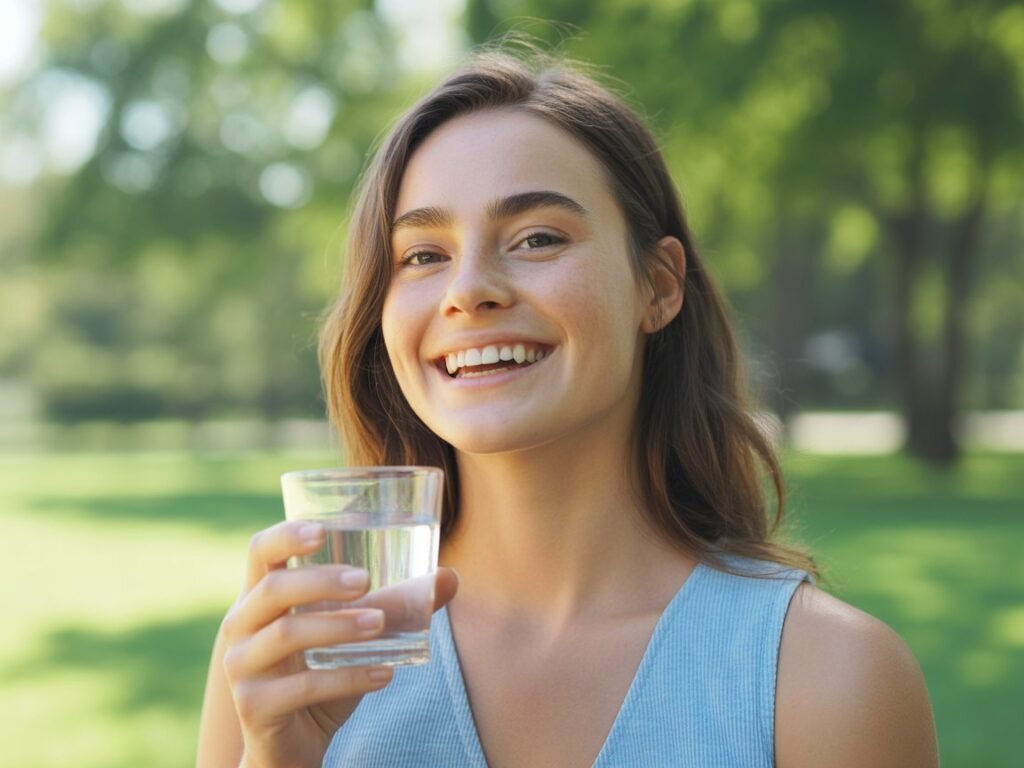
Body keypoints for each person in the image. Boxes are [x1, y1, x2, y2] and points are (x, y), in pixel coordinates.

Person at [197, 47, 938, 768]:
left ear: (658, 286)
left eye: (537, 238)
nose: (469, 289)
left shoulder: (830, 679)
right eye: (423, 254)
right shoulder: (290, 664)